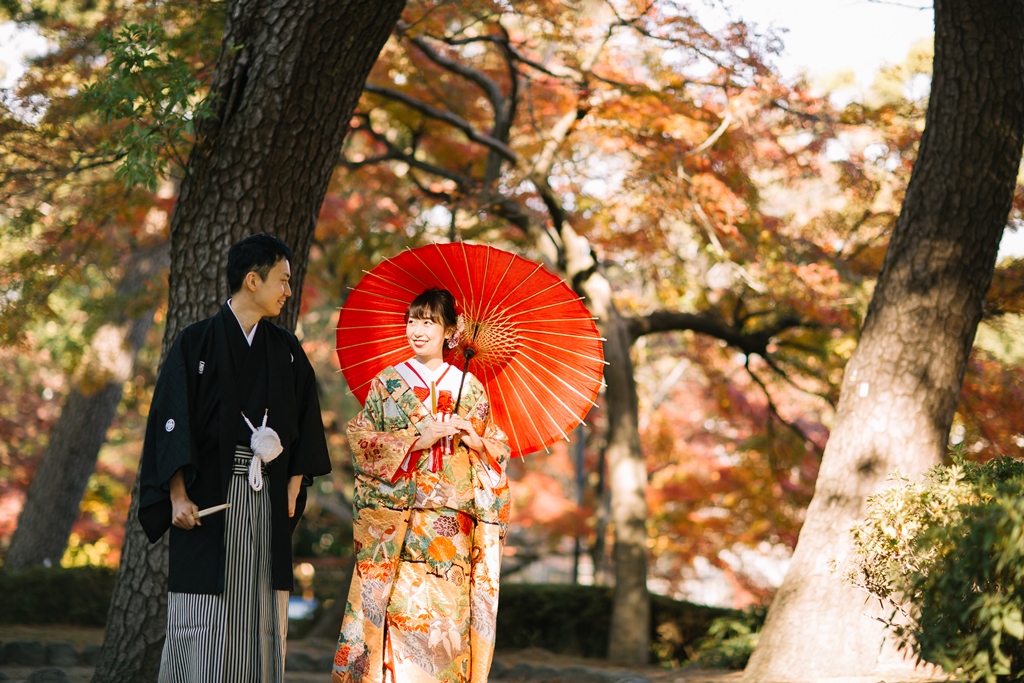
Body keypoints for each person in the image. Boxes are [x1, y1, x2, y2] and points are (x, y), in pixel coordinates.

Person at [138, 233, 331, 683]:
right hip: (208, 500)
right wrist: (177, 497)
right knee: (202, 618)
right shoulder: (196, 343)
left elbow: (307, 423)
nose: (287, 290)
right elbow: (170, 422)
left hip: (266, 499)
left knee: (260, 615)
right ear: (251, 281)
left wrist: (293, 486)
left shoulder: (285, 350)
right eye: (282, 281)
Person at [332, 287, 511, 683]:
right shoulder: (387, 384)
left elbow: (498, 453)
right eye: (413, 320)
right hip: (401, 527)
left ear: (451, 331)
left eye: (429, 321)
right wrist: (417, 441)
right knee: (399, 615)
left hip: (452, 533)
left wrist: (475, 439)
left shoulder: (472, 390)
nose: (417, 329)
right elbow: (361, 442)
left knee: (448, 626)